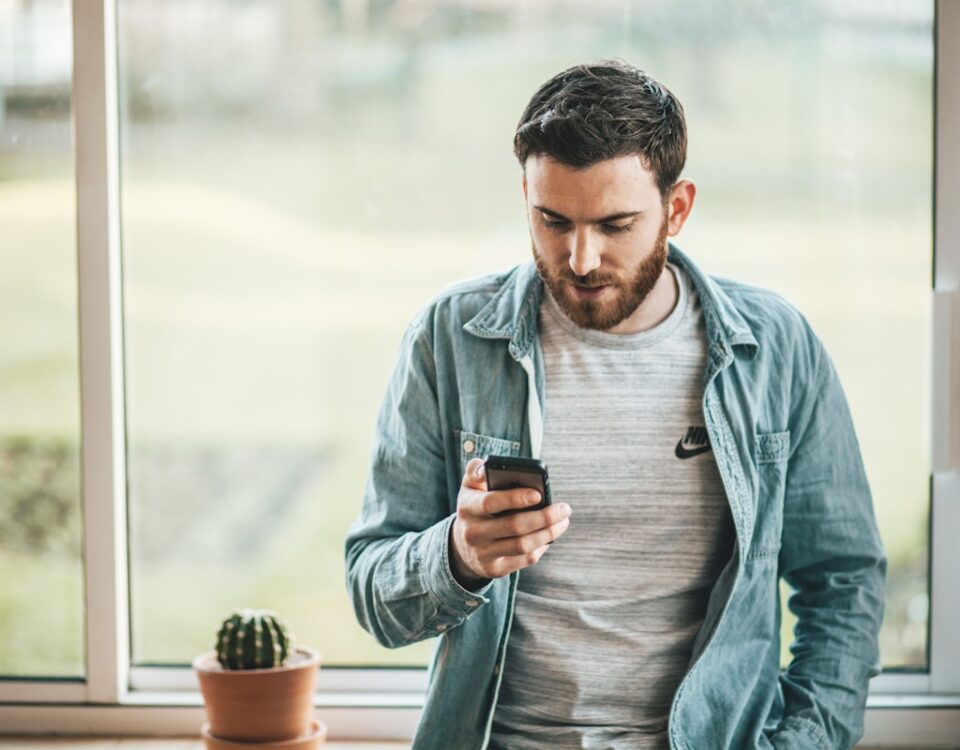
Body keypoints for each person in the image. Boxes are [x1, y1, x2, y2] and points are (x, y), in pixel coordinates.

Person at [344, 60, 886, 750]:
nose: (579, 258)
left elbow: (843, 582)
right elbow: (373, 592)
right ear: (525, 197)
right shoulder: (447, 340)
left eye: (615, 224)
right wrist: (458, 555)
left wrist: (804, 742)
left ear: (677, 209)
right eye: (552, 220)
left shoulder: (777, 350)